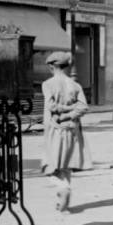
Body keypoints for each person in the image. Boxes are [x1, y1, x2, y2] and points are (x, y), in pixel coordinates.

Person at [40, 51, 89, 212]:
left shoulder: (48, 84)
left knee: (50, 165)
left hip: (55, 128)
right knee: (66, 165)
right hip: (72, 129)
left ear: (51, 66)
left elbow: (51, 106)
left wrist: (62, 112)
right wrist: (70, 112)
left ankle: (64, 188)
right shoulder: (75, 85)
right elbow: (83, 107)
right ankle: (64, 206)